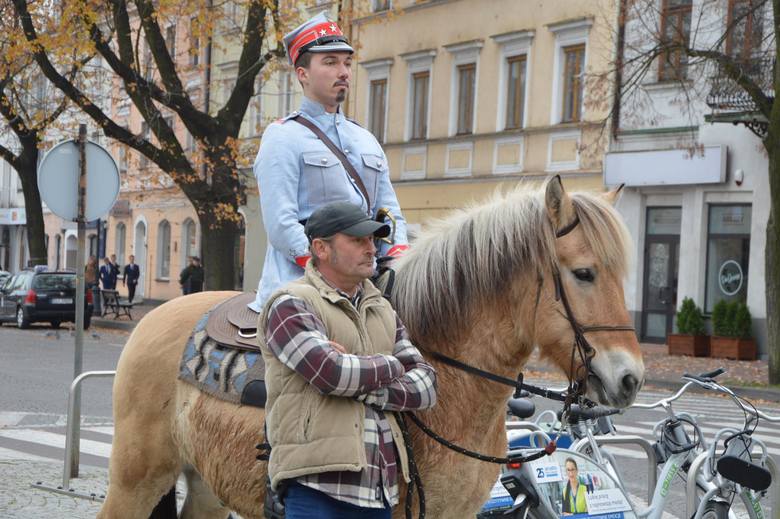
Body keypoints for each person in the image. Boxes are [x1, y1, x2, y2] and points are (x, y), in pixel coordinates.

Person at [259, 202, 437, 519]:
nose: (371, 248)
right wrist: (393, 366)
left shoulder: (381, 308)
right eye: (358, 240)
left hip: (379, 489)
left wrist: (361, 378)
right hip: (316, 485)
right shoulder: (291, 302)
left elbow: (426, 385)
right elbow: (331, 374)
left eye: (372, 240)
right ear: (321, 248)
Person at [248, 12, 409, 312]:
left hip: (365, 290)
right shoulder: (282, 137)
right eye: (330, 62)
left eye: (346, 62)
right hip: (300, 291)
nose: (344, 71)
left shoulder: (366, 139)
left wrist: (398, 261)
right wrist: (332, 270)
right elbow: (282, 225)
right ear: (302, 73)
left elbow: (390, 214)